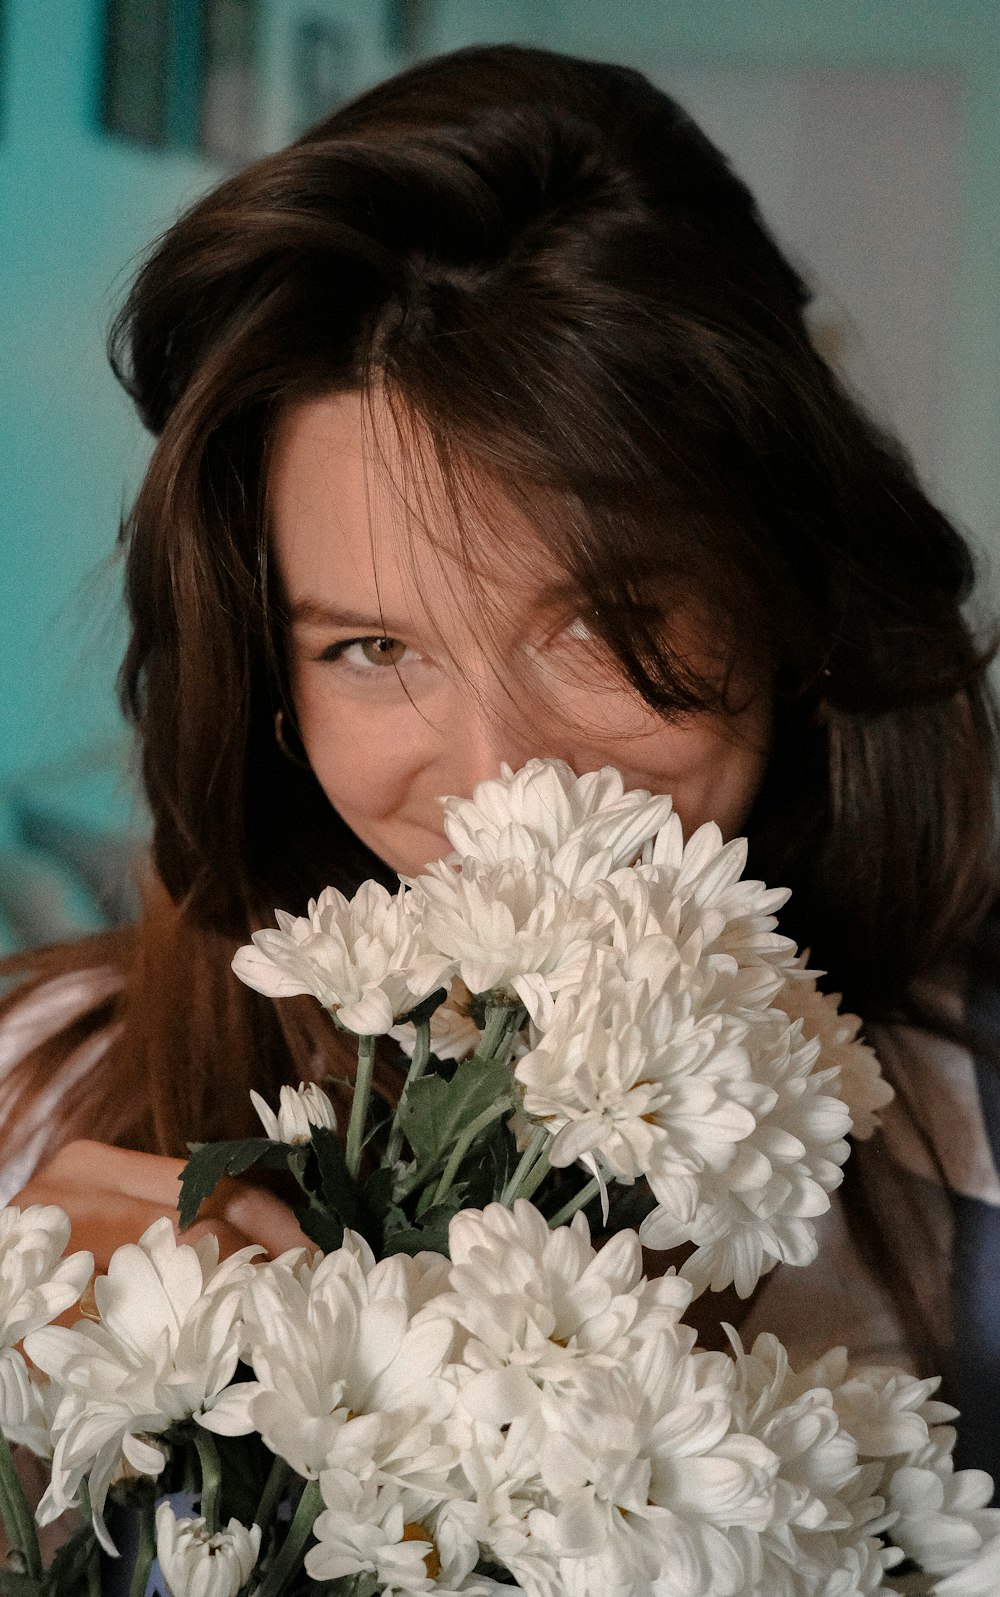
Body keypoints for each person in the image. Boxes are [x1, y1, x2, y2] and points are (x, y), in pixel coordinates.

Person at [3, 43, 999, 1474]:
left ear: (787, 594)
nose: (505, 779)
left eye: (597, 622)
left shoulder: (971, 1148)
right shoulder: (32, 1107)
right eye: (371, 649)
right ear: (267, 686)